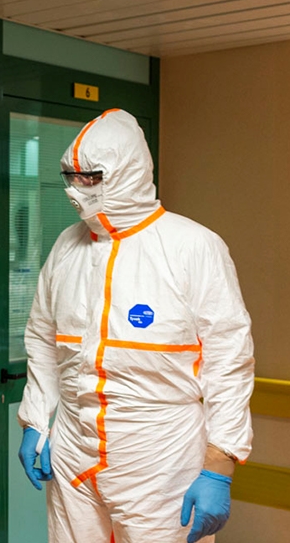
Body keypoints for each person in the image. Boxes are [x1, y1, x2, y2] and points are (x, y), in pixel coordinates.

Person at [17, 109, 253, 543]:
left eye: (91, 177)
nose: (76, 189)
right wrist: (36, 421)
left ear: (127, 172)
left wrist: (220, 464)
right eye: (70, 176)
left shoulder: (193, 247)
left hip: (159, 453)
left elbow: (229, 360)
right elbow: (43, 342)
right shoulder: (67, 247)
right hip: (72, 446)